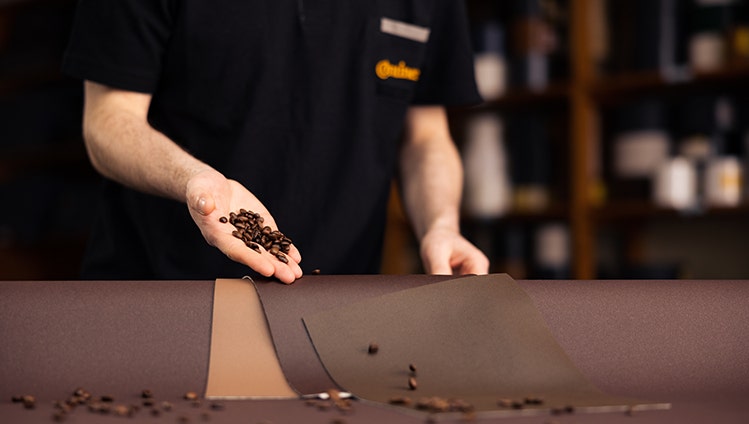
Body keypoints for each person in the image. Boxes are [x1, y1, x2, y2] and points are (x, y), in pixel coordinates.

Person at [63, 0, 490, 283]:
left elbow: (426, 137)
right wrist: (195, 181)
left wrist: (441, 225)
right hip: (163, 296)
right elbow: (108, 122)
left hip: (339, 309)